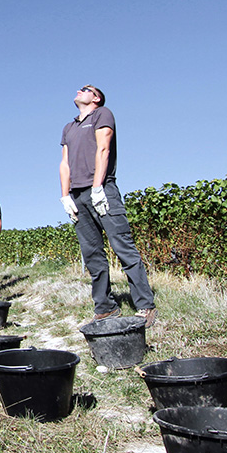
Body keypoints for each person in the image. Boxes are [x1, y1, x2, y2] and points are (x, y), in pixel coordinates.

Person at [59, 84, 157, 325]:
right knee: (92, 254)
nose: (79, 91)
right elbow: (64, 164)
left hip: (103, 191)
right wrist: (65, 197)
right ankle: (105, 307)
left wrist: (97, 188)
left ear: (96, 97)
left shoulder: (103, 114)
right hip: (78, 196)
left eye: (86, 89)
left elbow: (103, 148)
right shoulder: (69, 127)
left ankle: (145, 305)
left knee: (122, 246)